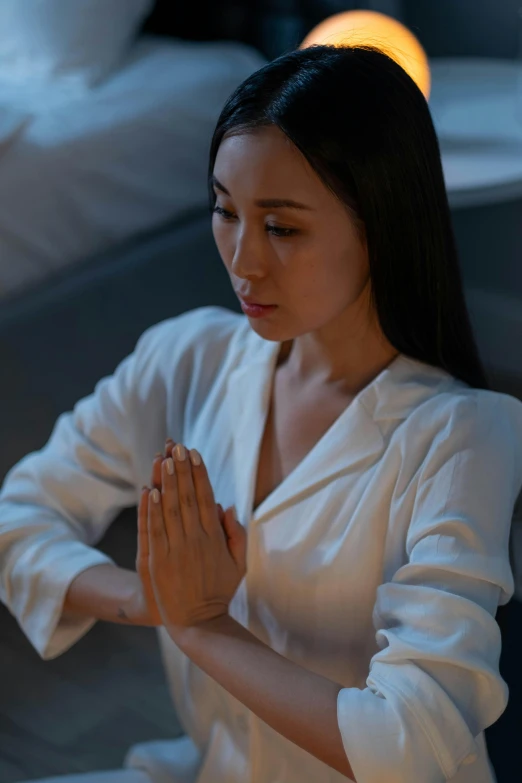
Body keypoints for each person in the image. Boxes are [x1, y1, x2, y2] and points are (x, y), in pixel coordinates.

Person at [1, 43, 521, 783]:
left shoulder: (460, 438)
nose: (243, 260)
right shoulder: (187, 358)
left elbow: (411, 743)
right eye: (224, 210)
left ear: (381, 222)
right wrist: (146, 596)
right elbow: (19, 513)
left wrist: (203, 625)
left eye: (281, 227)